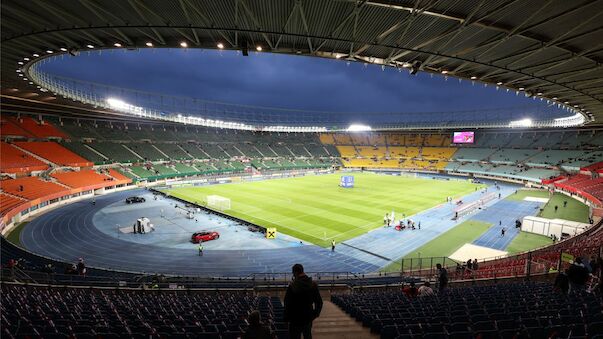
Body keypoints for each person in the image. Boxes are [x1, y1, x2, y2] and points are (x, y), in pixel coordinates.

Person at [284, 264, 323, 339]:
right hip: (308, 317)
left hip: (294, 319)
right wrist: (315, 314)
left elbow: (287, 304)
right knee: (308, 335)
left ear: (295, 273)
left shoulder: (292, 286)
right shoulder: (313, 284)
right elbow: (319, 302)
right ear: (302, 271)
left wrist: (286, 319)